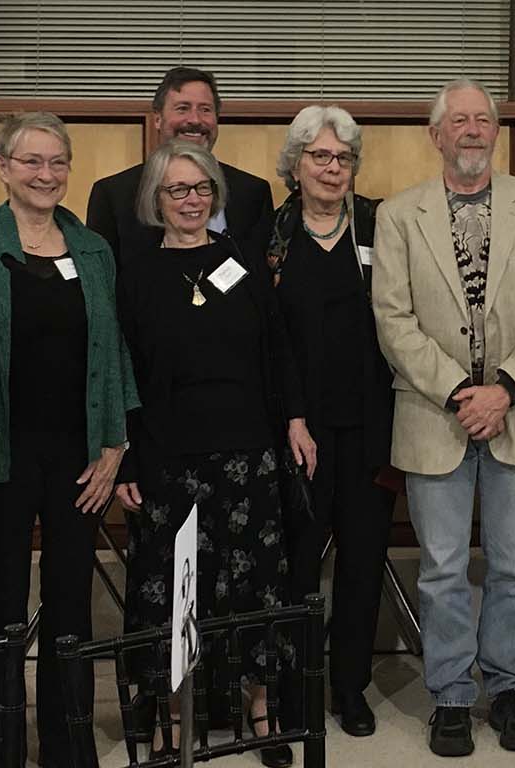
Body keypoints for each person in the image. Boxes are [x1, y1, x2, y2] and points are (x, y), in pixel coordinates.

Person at [372, 78, 515, 758]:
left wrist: (506, 389)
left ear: (496, 131)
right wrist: (462, 390)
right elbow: (393, 320)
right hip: (435, 417)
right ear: (436, 135)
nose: (472, 130)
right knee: (444, 569)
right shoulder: (398, 215)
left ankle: (510, 687)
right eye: (457, 120)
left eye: (482, 120)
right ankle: (452, 695)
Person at [0, 111, 139, 767]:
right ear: (3, 167)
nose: (45, 174)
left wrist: (115, 444)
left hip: (79, 458)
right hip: (0, 457)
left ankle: (68, 746)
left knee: (71, 607)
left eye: (57, 162)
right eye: (31, 161)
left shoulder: (94, 251)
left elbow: (114, 350)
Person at [113, 140, 314, 768]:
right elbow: (121, 371)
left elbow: (278, 348)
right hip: (169, 459)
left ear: (215, 198)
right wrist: (124, 458)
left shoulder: (241, 261)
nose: (191, 201)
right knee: (177, 590)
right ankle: (177, 717)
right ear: (157, 199)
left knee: (255, 585)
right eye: (178, 190)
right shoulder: (135, 271)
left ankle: (261, 710)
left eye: (201, 190)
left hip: (249, 452)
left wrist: (296, 420)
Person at [266, 105, 397, 737]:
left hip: (371, 425)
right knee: (296, 561)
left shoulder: (380, 222)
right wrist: (292, 415)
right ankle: (294, 689)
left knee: (364, 558)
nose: (332, 168)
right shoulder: (271, 236)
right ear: (295, 165)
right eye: (319, 156)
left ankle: (350, 686)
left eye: (342, 158)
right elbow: (269, 339)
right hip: (299, 430)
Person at [87, 66, 275, 266]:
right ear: (158, 119)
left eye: (205, 109)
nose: (194, 120)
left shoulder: (253, 193)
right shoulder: (113, 194)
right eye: (182, 108)